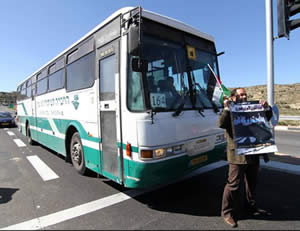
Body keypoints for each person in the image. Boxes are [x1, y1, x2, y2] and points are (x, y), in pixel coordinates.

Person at [218, 87, 273, 228]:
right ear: (234, 97)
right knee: (233, 185)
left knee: (251, 183)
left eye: (245, 94)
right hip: (237, 154)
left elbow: (267, 118)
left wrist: (266, 108)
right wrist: (226, 109)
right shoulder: (230, 109)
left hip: (253, 152)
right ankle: (227, 213)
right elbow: (221, 124)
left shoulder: (251, 108)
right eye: (241, 94)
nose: (244, 96)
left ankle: (250, 207)